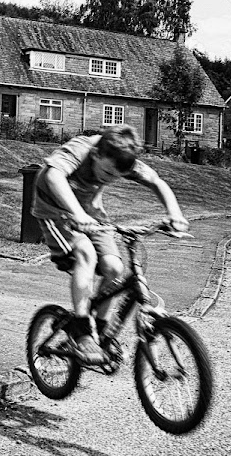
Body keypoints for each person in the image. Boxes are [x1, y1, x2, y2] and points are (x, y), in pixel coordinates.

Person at [31, 124, 188, 365]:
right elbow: (53, 175)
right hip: (54, 212)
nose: (108, 180)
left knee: (114, 269)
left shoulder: (120, 157)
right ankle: (82, 331)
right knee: (85, 254)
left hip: (92, 216)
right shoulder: (82, 149)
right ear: (97, 155)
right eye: (106, 174)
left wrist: (175, 214)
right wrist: (77, 214)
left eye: (115, 177)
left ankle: (100, 332)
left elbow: (156, 181)